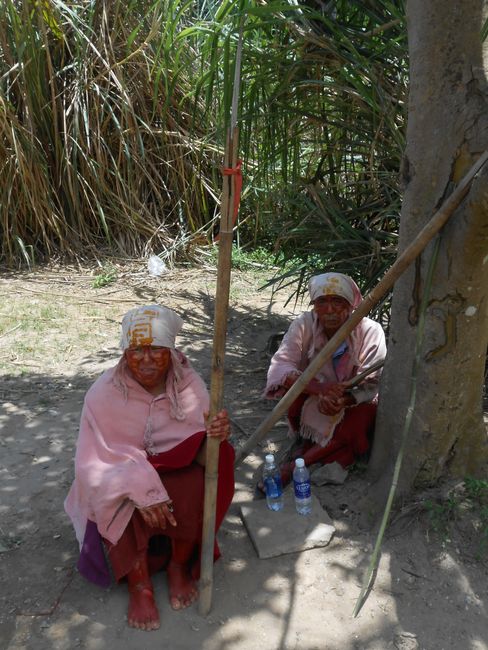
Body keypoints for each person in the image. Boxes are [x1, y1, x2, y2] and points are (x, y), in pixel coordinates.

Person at [65, 305, 234, 631]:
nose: (145, 360)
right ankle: (139, 584)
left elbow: (200, 454)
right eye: (136, 350)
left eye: (156, 350)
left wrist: (215, 437)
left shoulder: (189, 385)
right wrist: (143, 489)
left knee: (208, 470)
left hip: (171, 473)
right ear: (125, 353)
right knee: (119, 495)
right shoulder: (104, 394)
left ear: (171, 351)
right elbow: (92, 467)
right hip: (123, 480)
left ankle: (178, 565)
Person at [265, 272, 386, 483]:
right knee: (292, 398)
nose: (329, 310)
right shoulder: (304, 324)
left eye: (338, 302)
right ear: (314, 305)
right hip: (313, 392)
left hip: (352, 402)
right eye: (321, 302)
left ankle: (294, 466)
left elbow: (373, 380)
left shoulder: (370, 331)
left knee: (360, 420)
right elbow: (280, 367)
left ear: (350, 304)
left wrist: (342, 399)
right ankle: (309, 443)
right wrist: (320, 390)